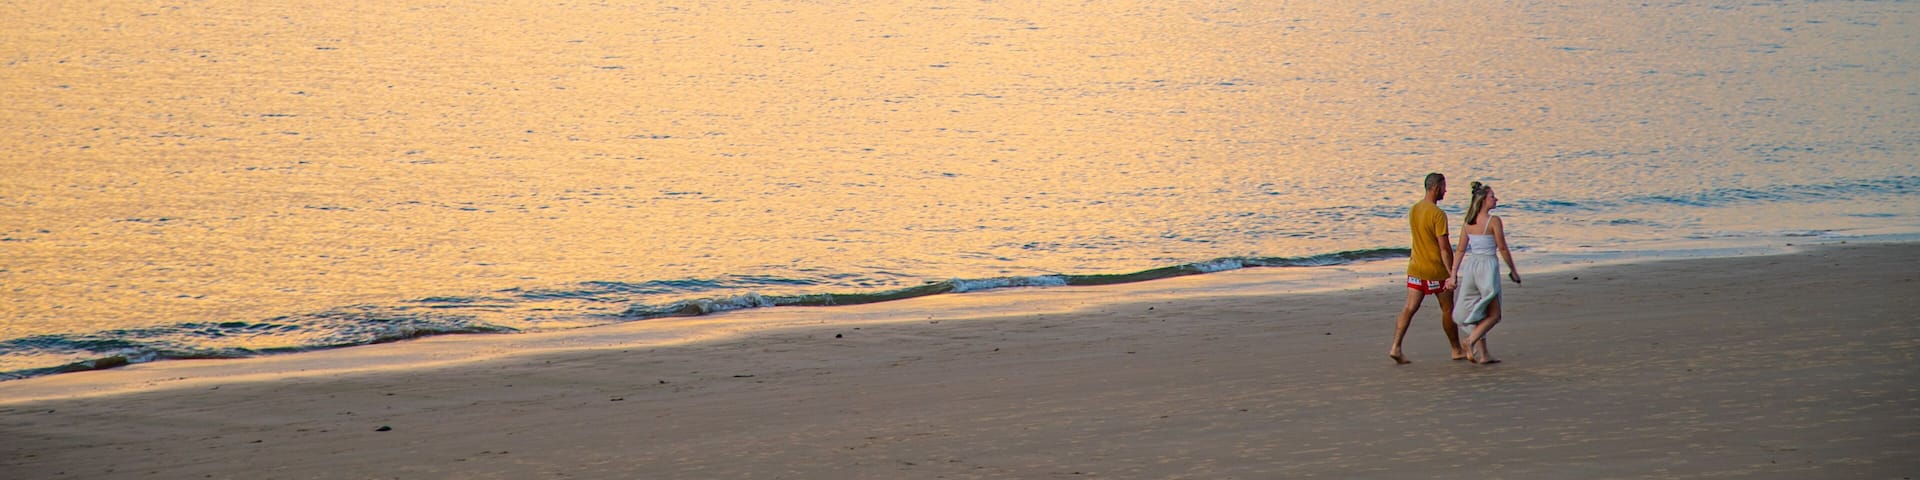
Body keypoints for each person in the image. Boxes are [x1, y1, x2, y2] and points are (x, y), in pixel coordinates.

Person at [1389, 173, 1468, 364]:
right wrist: (1451, 273)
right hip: (1436, 271)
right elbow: (1444, 247)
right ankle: (1456, 349)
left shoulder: (1414, 209)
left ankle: (1396, 347)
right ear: (1436, 188)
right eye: (1444, 186)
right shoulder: (1438, 214)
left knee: (1409, 308)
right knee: (1447, 309)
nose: (1446, 191)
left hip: (1416, 268)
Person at [1449, 182, 1521, 364]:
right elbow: (1502, 248)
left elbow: (1460, 250)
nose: (1495, 199)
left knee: (1479, 311)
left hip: (1472, 268)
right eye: (1492, 197)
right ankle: (1470, 340)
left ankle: (1484, 354)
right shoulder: (1493, 221)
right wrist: (1513, 270)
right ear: (1482, 201)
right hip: (1487, 267)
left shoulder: (1468, 222)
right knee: (1494, 314)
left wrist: (1453, 274)